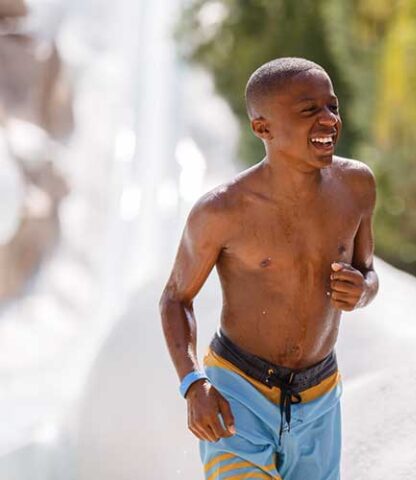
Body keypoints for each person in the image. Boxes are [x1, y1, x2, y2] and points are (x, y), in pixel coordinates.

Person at [159, 57, 378, 480]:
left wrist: (363, 289)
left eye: (332, 106)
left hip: (319, 396)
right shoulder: (221, 210)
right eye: (308, 111)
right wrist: (193, 383)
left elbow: (367, 272)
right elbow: (175, 297)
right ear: (263, 128)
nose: (329, 120)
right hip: (238, 395)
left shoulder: (356, 186)